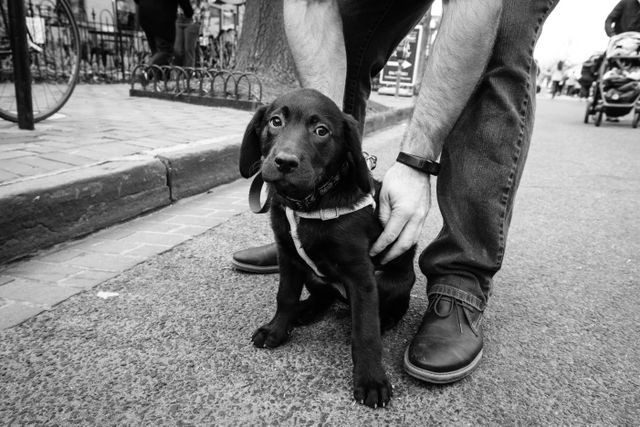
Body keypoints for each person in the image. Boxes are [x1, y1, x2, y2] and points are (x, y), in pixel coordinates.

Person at [233, 0, 559, 384]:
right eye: (276, 123)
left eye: (321, 132)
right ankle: (308, 242)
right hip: (317, 219)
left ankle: (460, 278)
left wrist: (416, 162)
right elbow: (310, 4)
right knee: (345, 32)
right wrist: (320, 134)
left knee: (502, 34)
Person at [134, 0, 193, 66]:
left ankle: (160, 74)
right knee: (166, 50)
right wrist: (189, 12)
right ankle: (147, 68)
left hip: (145, 15)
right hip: (162, 16)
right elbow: (185, 5)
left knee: (156, 52)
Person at [174, 1, 201, 68]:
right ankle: (179, 73)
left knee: (188, 50)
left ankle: (188, 75)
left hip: (192, 20)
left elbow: (203, 5)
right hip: (178, 19)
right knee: (177, 50)